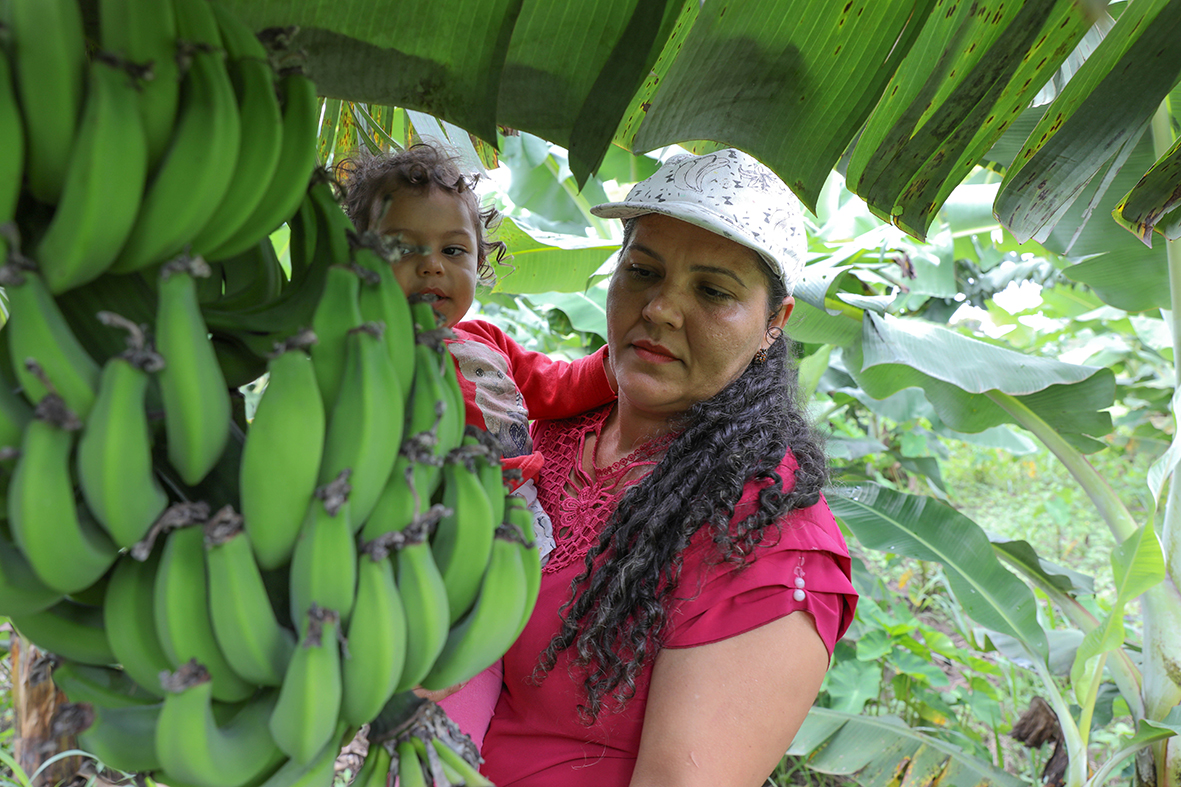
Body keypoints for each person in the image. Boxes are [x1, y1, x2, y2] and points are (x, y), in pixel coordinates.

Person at [479, 148, 858, 786]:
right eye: (642, 271)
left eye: (712, 291)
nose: (660, 308)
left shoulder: (765, 542)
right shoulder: (547, 429)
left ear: (774, 324)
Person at [338, 143, 617, 750]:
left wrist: (614, 369)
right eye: (403, 248)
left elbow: (557, 386)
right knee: (424, 684)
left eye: (452, 250)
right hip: (421, 540)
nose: (431, 266)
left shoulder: (486, 340)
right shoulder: (362, 355)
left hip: (516, 533)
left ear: (480, 260)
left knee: (491, 668)